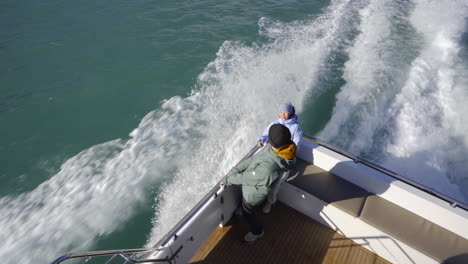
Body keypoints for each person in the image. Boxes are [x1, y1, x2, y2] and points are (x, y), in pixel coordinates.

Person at [222, 124, 296, 243]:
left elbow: (246, 179)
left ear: (273, 143)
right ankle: (243, 208)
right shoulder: (285, 148)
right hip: (255, 185)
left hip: (254, 193)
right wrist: (235, 169)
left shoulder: (269, 167)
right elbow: (253, 159)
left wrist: (227, 179)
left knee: (248, 212)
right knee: (245, 205)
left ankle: (257, 231)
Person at [258, 102, 303, 213]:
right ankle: (257, 199)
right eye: (281, 112)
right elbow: (265, 134)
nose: (282, 114)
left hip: (286, 158)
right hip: (272, 153)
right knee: (261, 175)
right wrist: (261, 140)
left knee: (277, 183)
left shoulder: (296, 128)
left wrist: (285, 154)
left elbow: (296, 147)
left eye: (285, 112)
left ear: (291, 114)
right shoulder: (275, 123)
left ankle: (269, 202)